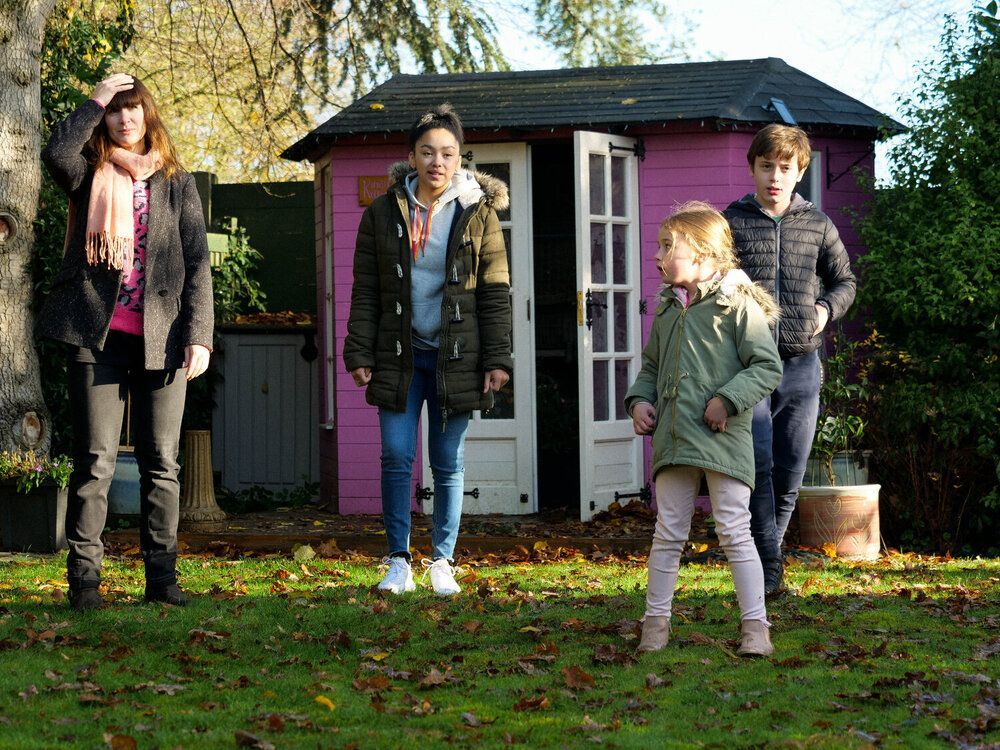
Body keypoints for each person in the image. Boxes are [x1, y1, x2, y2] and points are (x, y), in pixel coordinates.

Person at [39, 74, 213, 611]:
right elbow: (55, 152)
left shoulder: (177, 182)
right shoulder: (88, 173)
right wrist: (93, 98)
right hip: (98, 335)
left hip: (163, 341)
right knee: (96, 462)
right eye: (114, 111)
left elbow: (197, 262)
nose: (123, 118)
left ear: (148, 115)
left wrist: (199, 335)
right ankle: (84, 583)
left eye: (132, 108)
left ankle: (162, 579)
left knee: (163, 461)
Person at [343, 104, 512, 596]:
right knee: (396, 456)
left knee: (447, 461)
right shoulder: (383, 211)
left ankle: (442, 561)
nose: (437, 162)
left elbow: (495, 291)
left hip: (455, 358)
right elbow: (366, 289)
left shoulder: (478, 213)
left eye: (448, 153)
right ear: (412, 157)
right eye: (427, 152)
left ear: (461, 159)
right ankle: (398, 561)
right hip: (398, 355)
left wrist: (497, 359)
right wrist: (360, 352)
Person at [626, 202, 782, 656]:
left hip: (722, 437)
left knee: (734, 529)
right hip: (674, 437)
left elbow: (766, 366)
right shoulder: (668, 311)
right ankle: (654, 624)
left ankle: (756, 628)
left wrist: (726, 400)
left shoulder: (738, 305)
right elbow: (651, 368)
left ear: (702, 253)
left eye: (667, 246)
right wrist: (640, 401)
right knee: (669, 531)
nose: (657, 255)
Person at [724, 124, 857, 595]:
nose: (774, 177)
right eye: (766, 167)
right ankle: (771, 571)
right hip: (747, 366)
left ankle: (768, 559)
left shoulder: (818, 224)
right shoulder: (732, 222)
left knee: (790, 468)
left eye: (785, 168)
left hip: (801, 364)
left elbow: (846, 283)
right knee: (758, 463)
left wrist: (825, 309)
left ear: (800, 172)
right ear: (753, 168)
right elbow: (712, 279)